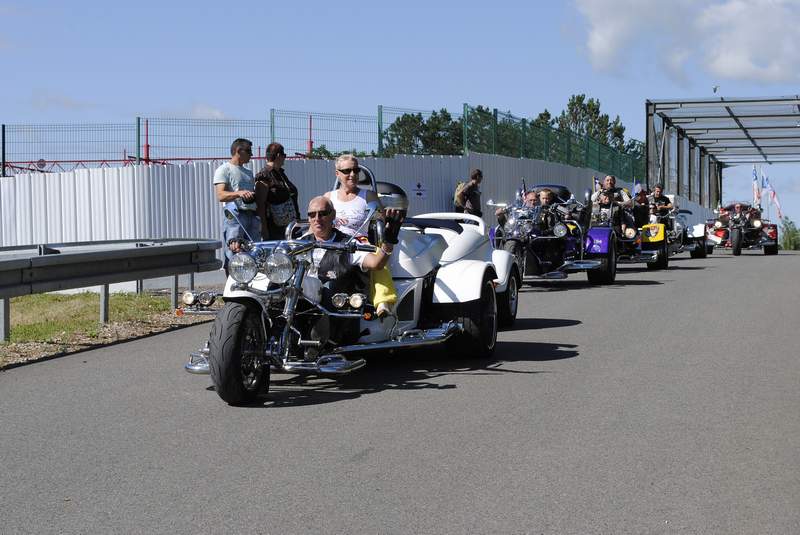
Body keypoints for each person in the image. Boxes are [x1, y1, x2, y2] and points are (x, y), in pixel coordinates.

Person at [303, 196, 399, 346]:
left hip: (335, 311)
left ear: (333, 215)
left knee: (328, 287)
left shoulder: (348, 244)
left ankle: (319, 342)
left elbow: (376, 263)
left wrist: (388, 243)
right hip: (303, 302)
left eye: (323, 213)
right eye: (312, 214)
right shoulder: (299, 243)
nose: (317, 218)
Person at [213, 138, 260, 268]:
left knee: (253, 252)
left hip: (252, 215)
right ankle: (232, 284)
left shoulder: (249, 173)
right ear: (238, 151)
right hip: (236, 217)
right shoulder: (224, 169)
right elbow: (220, 195)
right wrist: (239, 193)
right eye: (249, 151)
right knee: (234, 253)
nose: (251, 155)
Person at [324, 154, 381, 237]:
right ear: (337, 173)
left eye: (356, 170)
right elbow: (316, 226)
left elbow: (381, 226)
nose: (353, 174)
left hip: (361, 248)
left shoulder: (369, 196)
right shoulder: (328, 197)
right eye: (347, 171)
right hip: (334, 247)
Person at [254, 142, 300, 241]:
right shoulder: (264, 175)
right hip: (275, 231)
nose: (285, 158)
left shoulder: (281, 174)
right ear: (279, 155)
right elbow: (260, 205)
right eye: (284, 155)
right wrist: (264, 230)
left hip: (290, 227)